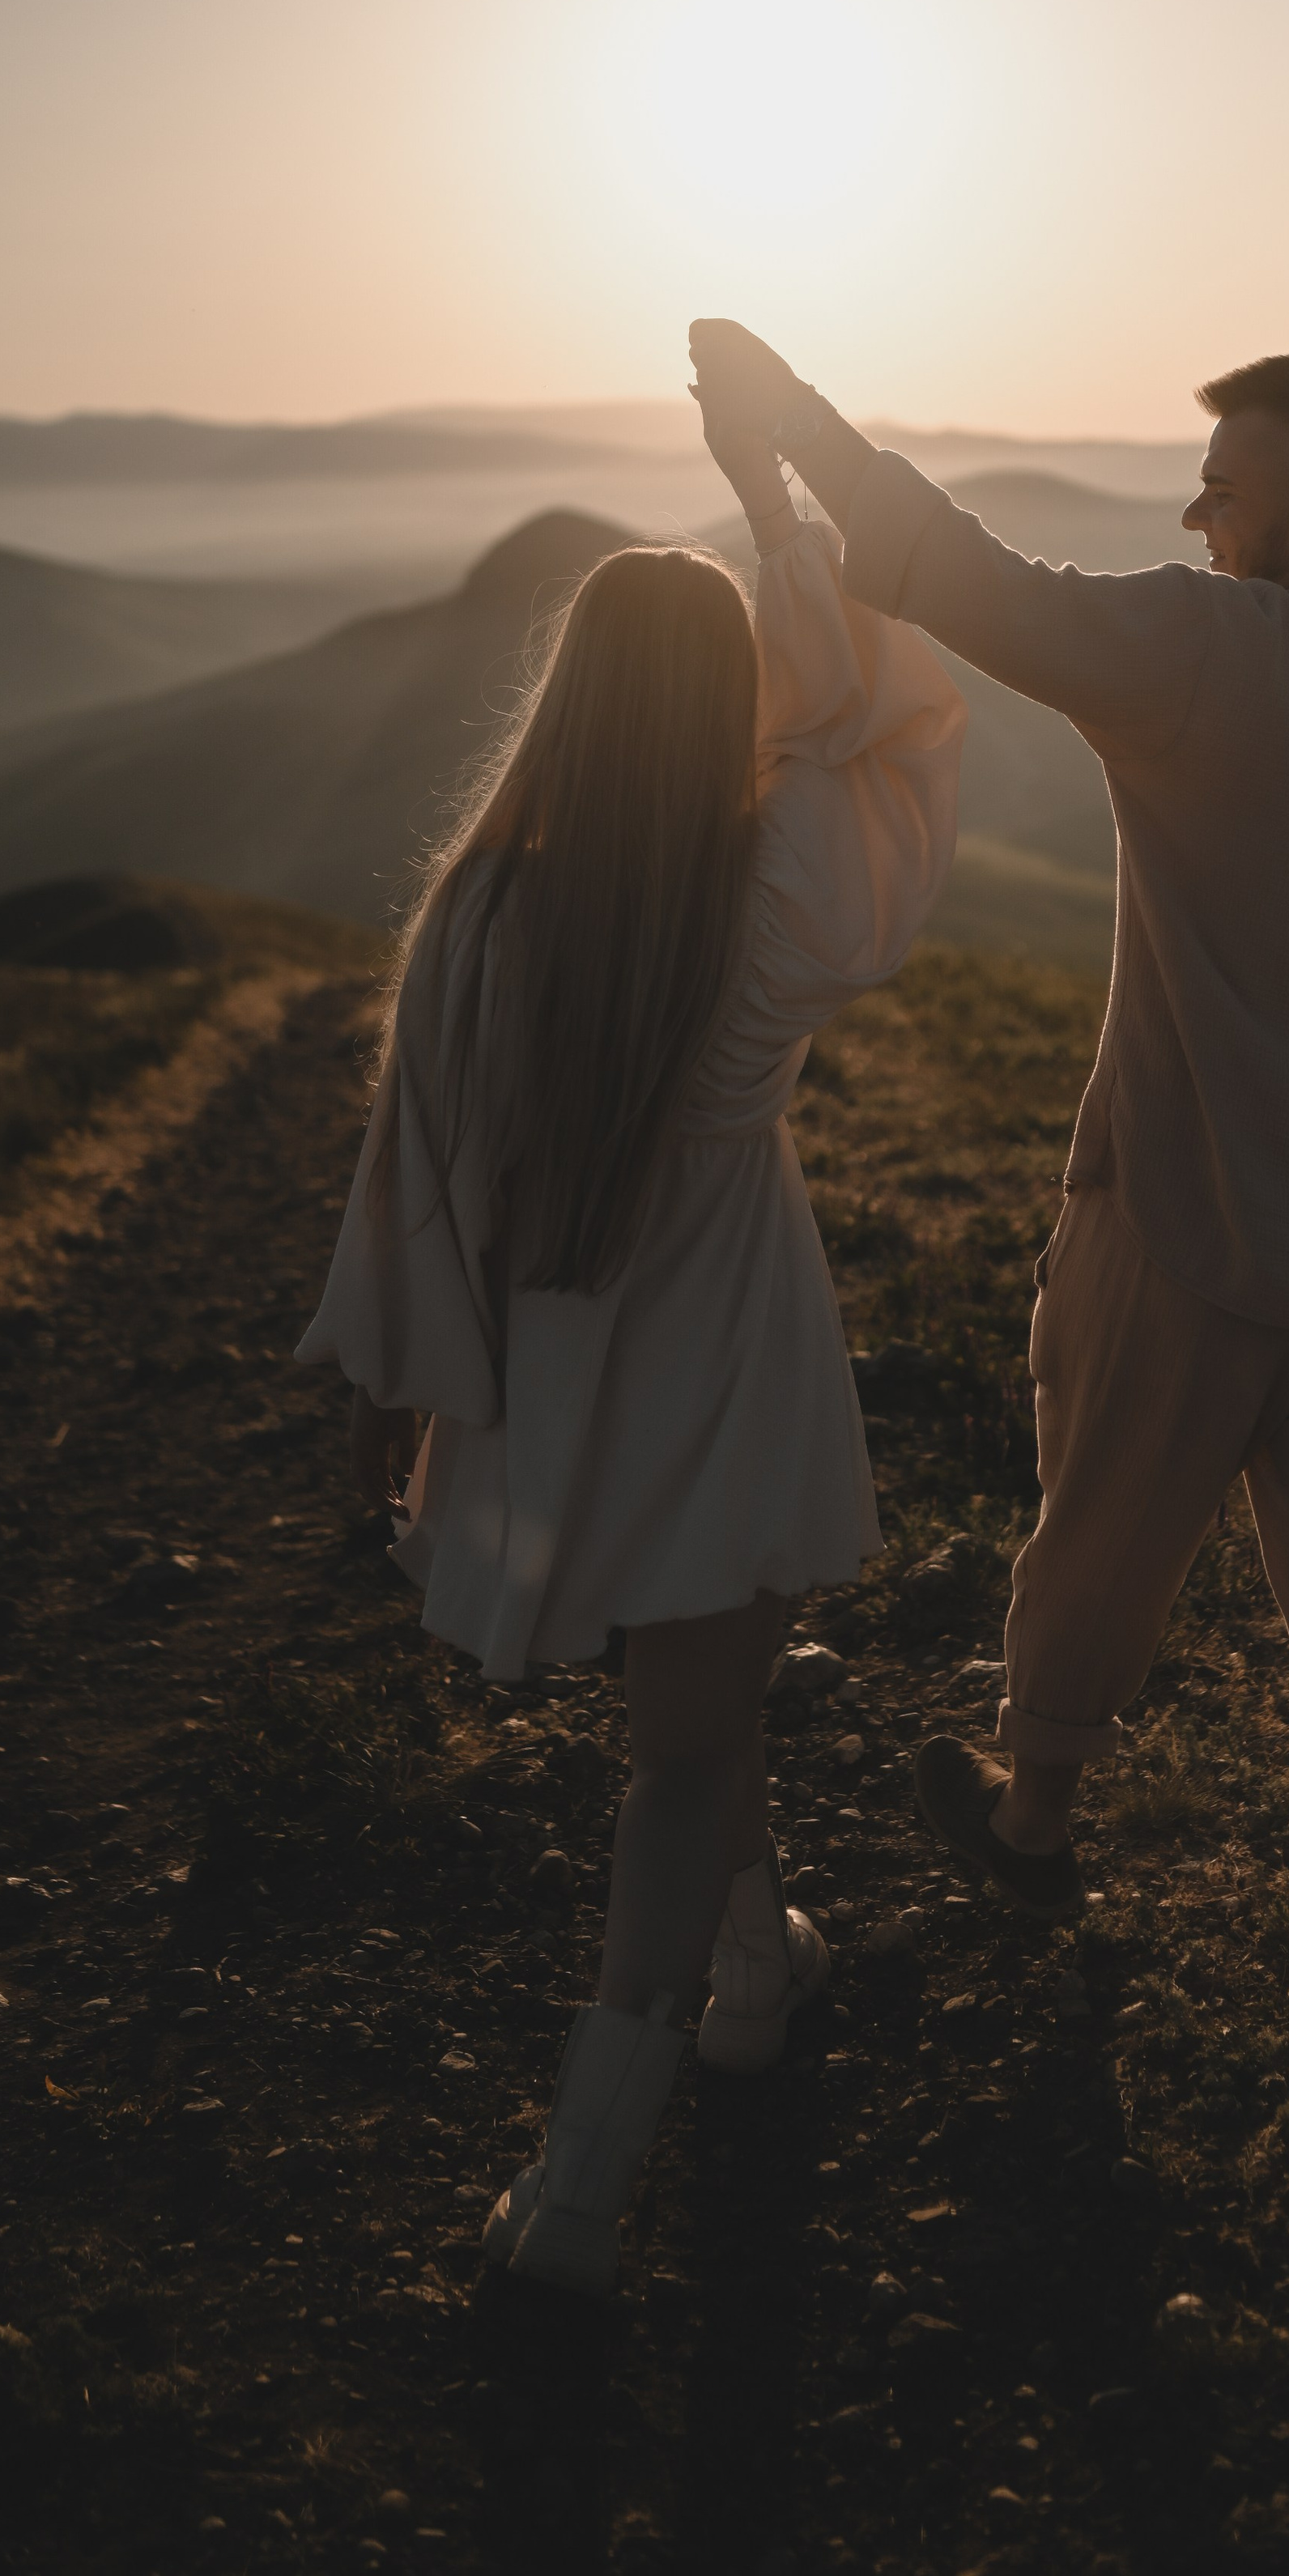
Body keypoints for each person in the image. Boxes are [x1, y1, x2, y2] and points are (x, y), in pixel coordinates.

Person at [687, 319, 1289, 2093]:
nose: (1193, 514)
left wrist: (787, 436)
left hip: (1191, 1219)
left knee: (1097, 1530)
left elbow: (962, 581)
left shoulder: (1204, 650)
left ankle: (1036, 1816)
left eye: (1221, 489)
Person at [296, 414, 965, 2292]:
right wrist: (779, 517)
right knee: (688, 1747)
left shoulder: (477, 918)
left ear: (565, 698)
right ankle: (586, 2181)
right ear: (728, 703)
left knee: (687, 1730)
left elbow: (406, 1187)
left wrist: (388, 1408)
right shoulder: (782, 898)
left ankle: (752, 1977)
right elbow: (889, 730)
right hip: (730, 1346)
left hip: (549, 1366)